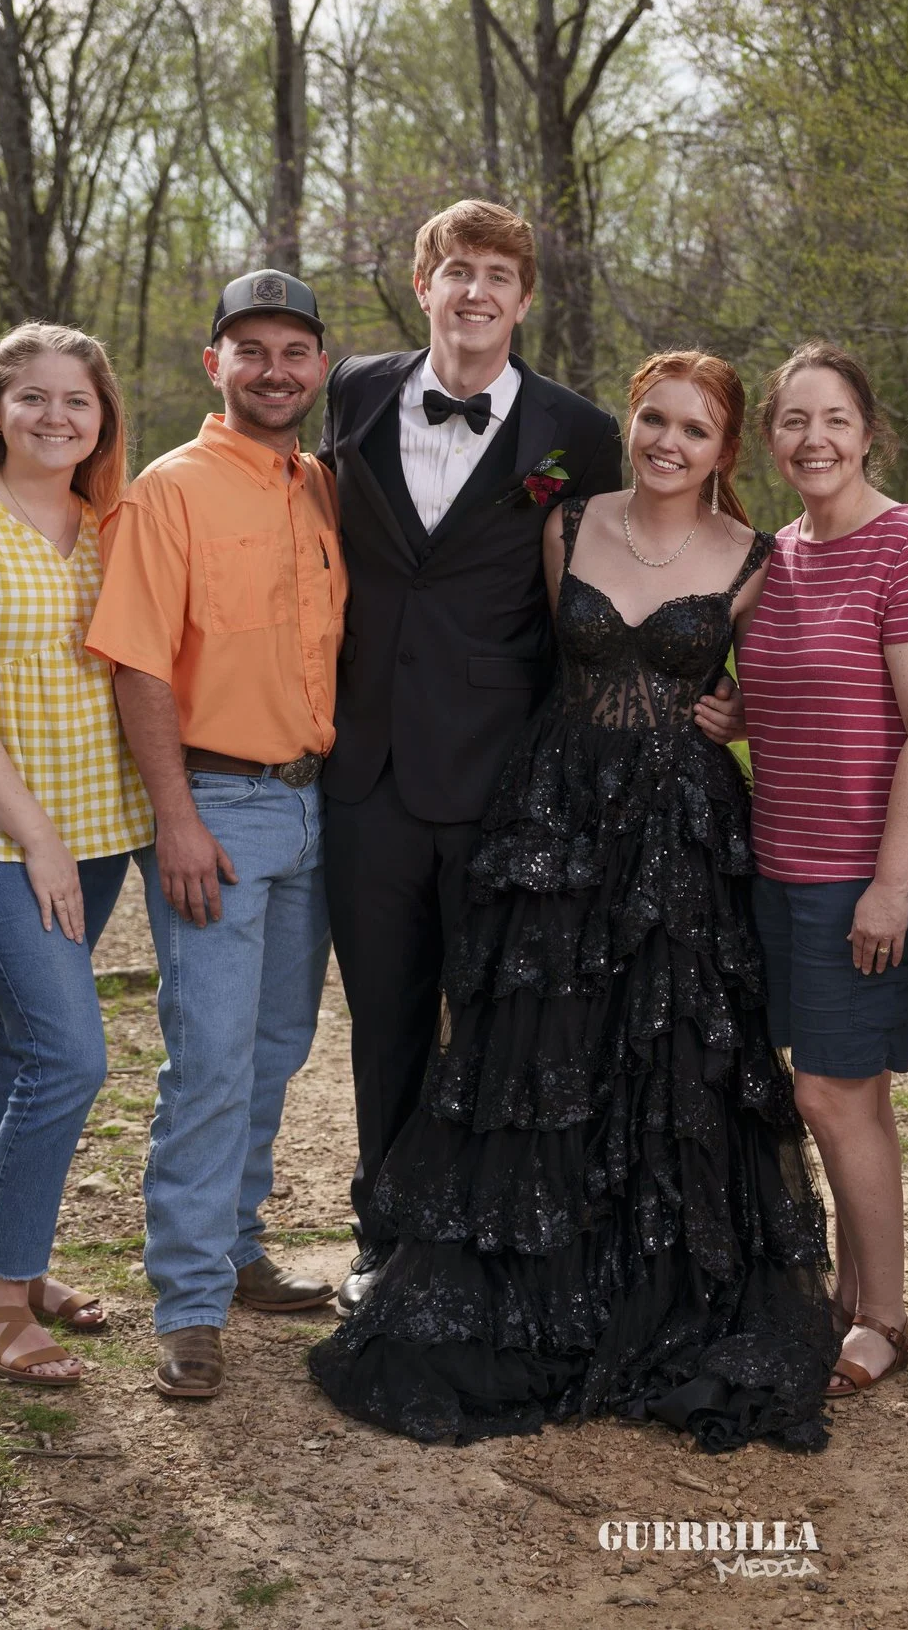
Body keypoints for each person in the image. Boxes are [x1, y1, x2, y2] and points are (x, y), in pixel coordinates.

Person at [310, 351, 836, 1453]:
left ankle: (660, 1291)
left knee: (671, 1059)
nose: (668, 442)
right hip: (557, 812)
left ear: (725, 450)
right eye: (654, 418)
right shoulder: (566, 521)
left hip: (681, 833)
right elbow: (541, 659)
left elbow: (791, 680)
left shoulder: (755, 557)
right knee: (544, 1048)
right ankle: (534, 1279)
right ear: (628, 423)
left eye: (695, 429)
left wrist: (738, 717)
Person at [314, 200, 621, 1318]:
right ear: (422, 282)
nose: (476, 291)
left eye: (498, 274)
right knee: (386, 1016)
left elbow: (618, 573)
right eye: (456, 270)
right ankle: (382, 1234)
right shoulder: (350, 391)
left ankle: (494, 1234)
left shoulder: (575, 433)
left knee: (497, 1016)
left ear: (525, 298)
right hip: (367, 770)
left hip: (504, 773)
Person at [85, 271, 349, 1400]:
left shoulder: (321, 488)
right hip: (218, 808)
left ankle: (237, 1247)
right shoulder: (168, 492)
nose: (275, 369)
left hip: (313, 801)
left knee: (279, 1043)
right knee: (209, 1057)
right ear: (216, 365)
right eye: (253, 350)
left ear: (320, 367)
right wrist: (177, 817)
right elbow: (138, 660)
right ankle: (188, 1298)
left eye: (295, 350)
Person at [0, 323, 156, 1386]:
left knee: (9, 1029)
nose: (56, 416)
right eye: (34, 397)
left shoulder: (109, 524)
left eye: (78, 401)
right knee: (69, 1052)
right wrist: (36, 840)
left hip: (98, 826)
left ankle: (17, 1254)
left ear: (103, 418)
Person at [719, 342, 908, 1397]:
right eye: (793, 422)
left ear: (869, 431)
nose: (814, 440)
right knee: (845, 1091)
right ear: (771, 439)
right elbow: (788, 692)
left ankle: (886, 1313)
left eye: (835, 420)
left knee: (828, 1088)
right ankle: (856, 1289)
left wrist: (892, 883)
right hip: (775, 864)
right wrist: (733, 714)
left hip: (866, 873)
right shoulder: (773, 554)